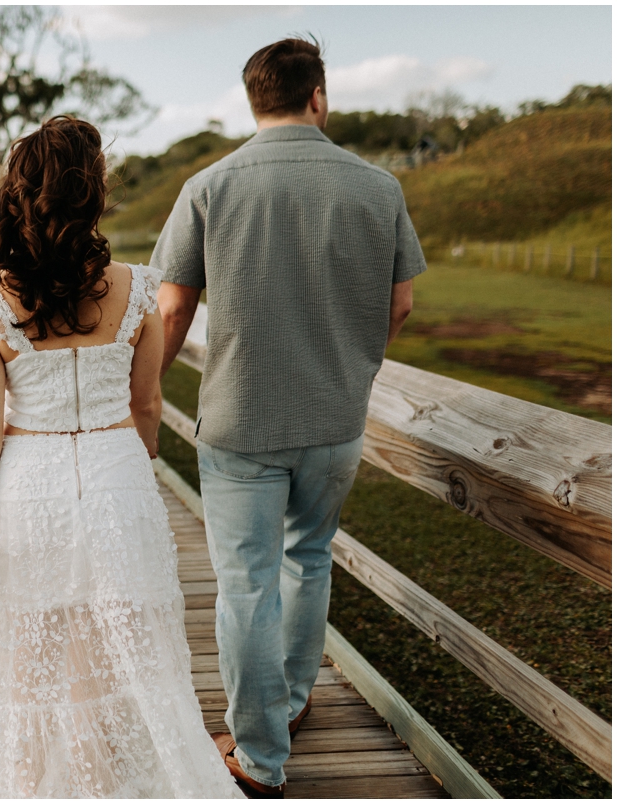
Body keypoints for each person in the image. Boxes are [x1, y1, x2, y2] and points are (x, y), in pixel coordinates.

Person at [0, 115, 244, 799]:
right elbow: (146, 405)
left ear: (20, 192)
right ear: (93, 193)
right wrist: (134, 470)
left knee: (27, 652)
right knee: (110, 655)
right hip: (118, 476)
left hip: (28, 486)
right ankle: (104, 782)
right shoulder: (137, 289)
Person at [152, 38, 426, 797]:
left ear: (253, 100)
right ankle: (295, 700)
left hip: (241, 421)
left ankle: (260, 757)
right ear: (319, 97)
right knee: (309, 557)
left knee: (246, 587)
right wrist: (354, 364)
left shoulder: (211, 185)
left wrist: (145, 394)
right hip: (335, 417)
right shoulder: (379, 187)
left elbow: (173, 305)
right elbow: (401, 301)